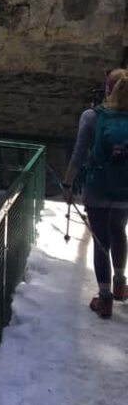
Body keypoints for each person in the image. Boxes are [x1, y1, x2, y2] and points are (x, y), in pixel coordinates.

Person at [63, 68, 128, 319]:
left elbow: (79, 154)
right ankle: (121, 284)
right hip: (125, 190)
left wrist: (68, 185)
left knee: (101, 241)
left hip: (98, 188)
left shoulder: (92, 116)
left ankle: (104, 299)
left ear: (107, 89)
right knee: (119, 231)